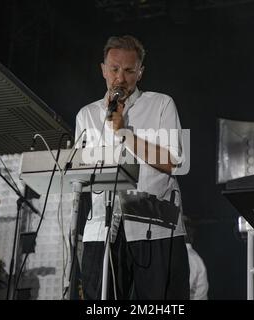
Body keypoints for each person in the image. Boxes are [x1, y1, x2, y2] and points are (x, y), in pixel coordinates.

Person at [74, 35, 189, 300]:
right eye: (114, 69)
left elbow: (173, 160)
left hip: (156, 225)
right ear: (103, 69)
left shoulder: (161, 103)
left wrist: (123, 132)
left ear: (140, 73)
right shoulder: (87, 115)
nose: (120, 78)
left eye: (128, 70)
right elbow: (81, 171)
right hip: (101, 230)